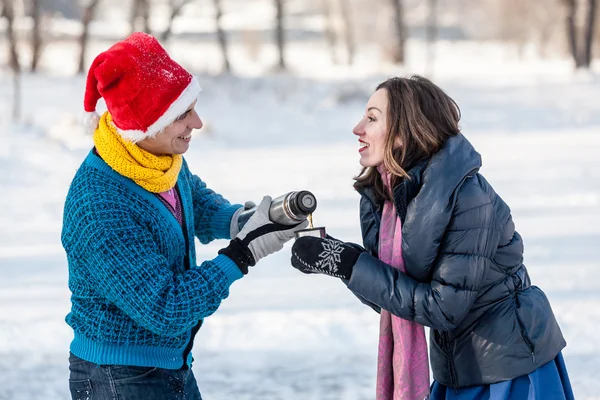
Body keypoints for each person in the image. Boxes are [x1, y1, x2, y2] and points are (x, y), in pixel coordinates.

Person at [290, 76, 574, 400]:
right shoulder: (386, 200)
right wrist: (339, 261)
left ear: (402, 131)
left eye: (371, 118)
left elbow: (441, 307)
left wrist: (350, 264)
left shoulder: (468, 197)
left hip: (509, 370)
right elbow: (395, 295)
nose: (358, 128)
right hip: (458, 366)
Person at [62, 32, 306, 400]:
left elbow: (196, 203)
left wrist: (245, 220)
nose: (197, 123)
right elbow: (166, 307)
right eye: (182, 114)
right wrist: (244, 253)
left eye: (193, 107)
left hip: (170, 363)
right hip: (119, 378)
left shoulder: (158, 161)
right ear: (145, 124)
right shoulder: (101, 204)